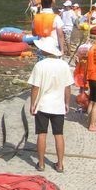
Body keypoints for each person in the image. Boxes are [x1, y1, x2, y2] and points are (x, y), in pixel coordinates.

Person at [28, 37, 73, 172]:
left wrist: (32, 104)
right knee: (58, 134)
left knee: (42, 134)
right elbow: (67, 87)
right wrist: (67, 103)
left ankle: (41, 164)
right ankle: (60, 164)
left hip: (42, 105)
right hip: (58, 105)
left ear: (45, 50)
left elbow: (35, 87)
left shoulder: (40, 65)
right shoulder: (64, 65)